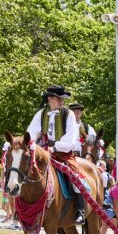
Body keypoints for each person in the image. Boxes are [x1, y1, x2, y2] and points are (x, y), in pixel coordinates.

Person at [26, 85, 85, 224]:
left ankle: (80, 210)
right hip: (41, 154)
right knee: (25, 171)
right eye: (59, 99)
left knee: (75, 174)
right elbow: (30, 134)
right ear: (50, 99)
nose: (62, 102)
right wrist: (36, 140)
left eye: (62, 99)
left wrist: (54, 148)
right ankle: (23, 209)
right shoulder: (40, 114)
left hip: (62, 154)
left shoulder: (68, 114)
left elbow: (71, 138)